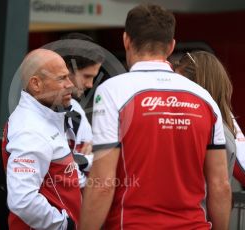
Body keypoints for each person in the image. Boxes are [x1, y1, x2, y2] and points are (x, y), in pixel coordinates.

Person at [80, 3, 231, 230]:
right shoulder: (205, 98)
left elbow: (103, 183)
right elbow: (221, 185)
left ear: (126, 40)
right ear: (171, 47)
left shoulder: (112, 91)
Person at [1, 49, 81, 230]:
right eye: (61, 79)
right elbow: (22, 200)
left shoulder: (48, 115)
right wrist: (64, 225)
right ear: (36, 84)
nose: (70, 85)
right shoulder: (30, 129)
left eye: (68, 77)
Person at [175, 51, 245, 185]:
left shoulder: (217, 130)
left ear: (200, 87)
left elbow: (220, 185)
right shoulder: (223, 121)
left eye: (180, 87)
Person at [55, 33, 105, 174]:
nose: (90, 85)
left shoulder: (76, 108)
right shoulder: (34, 112)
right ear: (65, 69)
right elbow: (58, 172)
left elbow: (95, 161)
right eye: (87, 76)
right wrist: (84, 162)